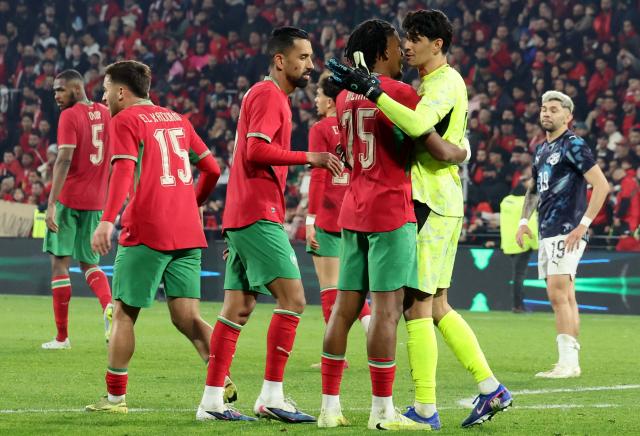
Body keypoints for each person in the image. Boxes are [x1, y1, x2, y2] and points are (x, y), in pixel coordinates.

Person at [328, 9, 511, 429]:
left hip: (429, 199)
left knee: (416, 306)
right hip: (440, 197)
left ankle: (425, 408)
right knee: (438, 304)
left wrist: (373, 93)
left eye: (414, 38)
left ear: (437, 44)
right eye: (404, 38)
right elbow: (439, 140)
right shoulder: (431, 83)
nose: (406, 45)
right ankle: (490, 388)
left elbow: (416, 126)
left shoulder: (444, 82)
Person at [320, 19, 463, 431]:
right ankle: (382, 412)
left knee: (343, 311)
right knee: (385, 313)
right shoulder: (399, 94)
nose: (403, 52)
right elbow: (433, 146)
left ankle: (330, 408)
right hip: (390, 211)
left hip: (353, 211)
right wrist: (462, 151)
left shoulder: (345, 97)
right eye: (396, 47)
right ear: (381, 54)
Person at [196, 27, 342, 423]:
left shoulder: (266, 96)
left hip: (244, 213)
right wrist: (309, 157)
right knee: (293, 300)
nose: (311, 64)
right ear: (281, 60)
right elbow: (255, 150)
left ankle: (211, 401)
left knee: (237, 308)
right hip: (258, 212)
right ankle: (271, 397)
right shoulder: (269, 96)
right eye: (304, 57)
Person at [85, 60, 222, 413]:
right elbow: (212, 168)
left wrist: (107, 220)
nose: (103, 97)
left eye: (105, 89)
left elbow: (123, 171)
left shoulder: (125, 120)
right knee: (187, 316)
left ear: (121, 91)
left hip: (147, 228)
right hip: (188, 231)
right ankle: (220, 377)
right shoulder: (178, 118)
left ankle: (115, 398)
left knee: (123, 313)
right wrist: (192, 202)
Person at [516, 90, 608, 378]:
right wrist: (522, 220)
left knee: (557, 295)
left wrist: (583, 225)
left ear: (568, 116)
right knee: (566, 295)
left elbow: (602, 185)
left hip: (567, 229)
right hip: (548, 230)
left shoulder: (574, 145)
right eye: (544, 108)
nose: (546, 113)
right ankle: (570, 360)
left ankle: (567, 363)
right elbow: (533, 188)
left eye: (554, 109)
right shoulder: (541, 149)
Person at [41, 69, 113, 350]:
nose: (56, 96)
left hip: (68, 200)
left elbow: (64, 159)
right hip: (96, 202)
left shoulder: (69, 116)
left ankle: (62, 338)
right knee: (90, 263)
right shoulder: (106, 113)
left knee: (60, 263)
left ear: (76, 87)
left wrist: (50, 204)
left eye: (60, 90)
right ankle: (108, 307)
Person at [306, 74, 371, 369]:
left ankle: (335, 357)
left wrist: (309, 220)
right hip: (355, 213)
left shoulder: (320, 128)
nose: (316, 100)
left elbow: (319, 176)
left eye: (319, 95)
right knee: (352, 285)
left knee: (330, 288)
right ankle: (373, 331)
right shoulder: (352, 125)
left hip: (329, 214)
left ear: (331, 100)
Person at [500, 180, 538, 312]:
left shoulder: (505, 201)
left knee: (517, 274)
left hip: (509, 243)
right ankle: (518, 305)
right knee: (519, 275)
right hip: (523, 242)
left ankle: (517, 304)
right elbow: (531, 224)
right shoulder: (525, 203)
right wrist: (535, 243)